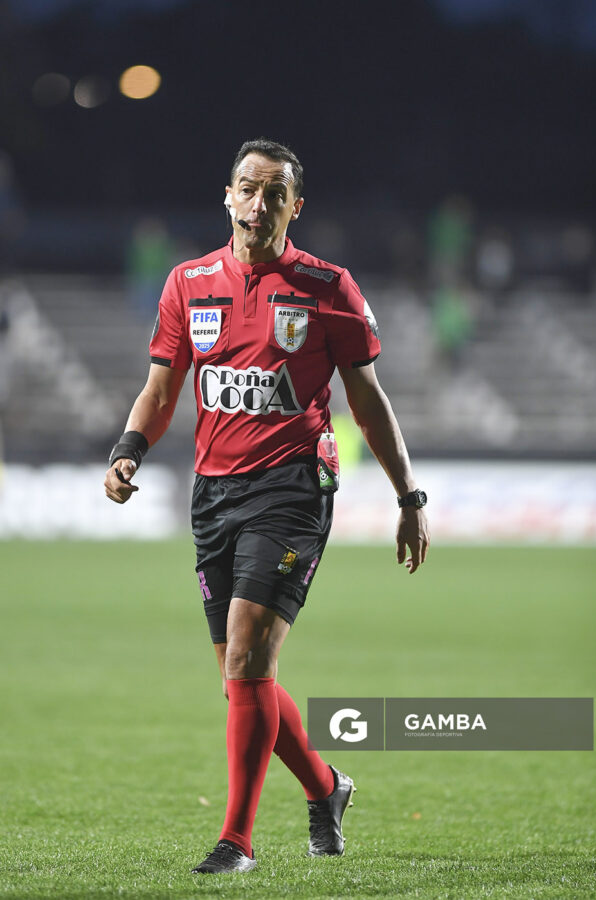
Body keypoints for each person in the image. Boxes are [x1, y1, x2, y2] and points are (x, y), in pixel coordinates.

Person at [104, 138, 430, 875]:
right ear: (227, 196)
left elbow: (369, 404)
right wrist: (129, 446)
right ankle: (327, 786)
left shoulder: (327, 286)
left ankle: (238, 843)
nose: (258, 205)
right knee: (242, 679)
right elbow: (161, 391)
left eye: (273, 193)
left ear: (295, 206)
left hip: (292, 489)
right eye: (247, 189)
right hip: (213, 492)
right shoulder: (188, 283)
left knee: (250, 658)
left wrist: (409, 495)